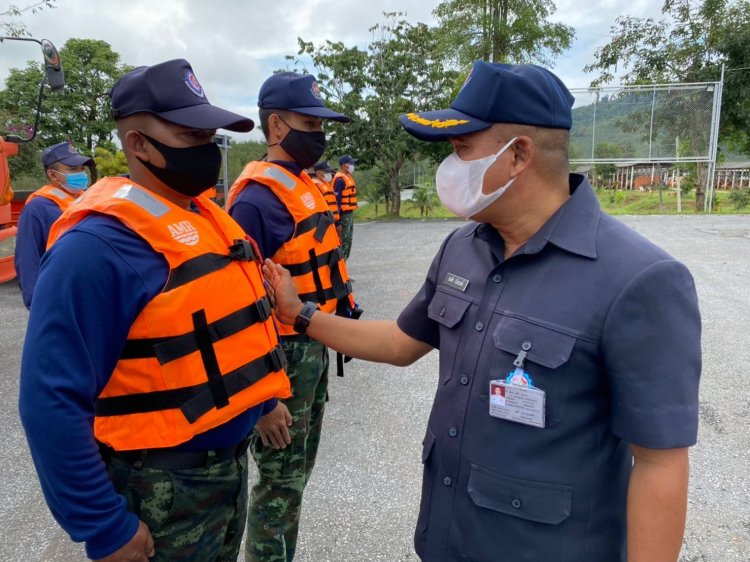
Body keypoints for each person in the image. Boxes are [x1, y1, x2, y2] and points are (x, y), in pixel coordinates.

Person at [262, 60, 702, 562]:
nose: (449, 167)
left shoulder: (638, 279)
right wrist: (301, 314)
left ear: (518, 155)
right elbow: (399, 344)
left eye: (461, 148)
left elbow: (660, 462)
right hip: (448, 540)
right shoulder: (462, 248)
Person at [19, 59, 292, 562]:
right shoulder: (95, 248)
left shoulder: (207, 217)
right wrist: (103, 525)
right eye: (191, 135)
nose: (207, 149)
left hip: (226, 472)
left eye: (209, 136)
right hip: (159, 488)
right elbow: (50, 399)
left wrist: (262, 403)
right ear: (138, 144)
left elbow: (221, 341)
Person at [226, 71, 359, 562]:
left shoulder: (303, 184)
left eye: (322, 125)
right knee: (279, 483)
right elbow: (236, 308)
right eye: (311, 124)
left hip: (311, 344)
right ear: (277, 126)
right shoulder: (255, 200)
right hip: (281, 358)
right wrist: (263, 399)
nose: (320, 135)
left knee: (296, 476)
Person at [14, 141, 93, 308]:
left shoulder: (88, 200)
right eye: (73, 169)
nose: (81, 174)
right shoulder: (38, 208)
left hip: (89, 291)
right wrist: (36, 304)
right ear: (53, 175)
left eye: (81, 169)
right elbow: (28, 258)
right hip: (60, 295)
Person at [332, 154, 358, 259]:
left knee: (348, 241)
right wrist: (337, 221)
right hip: (343, 215)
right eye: (350, 164)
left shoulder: (348, 178)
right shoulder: (340, 180)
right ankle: (341, 265)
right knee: (343, 241)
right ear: (344, 166)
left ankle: (345, 264)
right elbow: (336, 202)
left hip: (349, 214)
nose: (353, 166)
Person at [312, 160, 340, 235]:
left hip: (333, 222)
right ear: (318, 173)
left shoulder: (326, 185)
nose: (329, 174)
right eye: (327, 172)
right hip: (324, 224)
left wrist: (337, 223)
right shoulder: (315, 187)